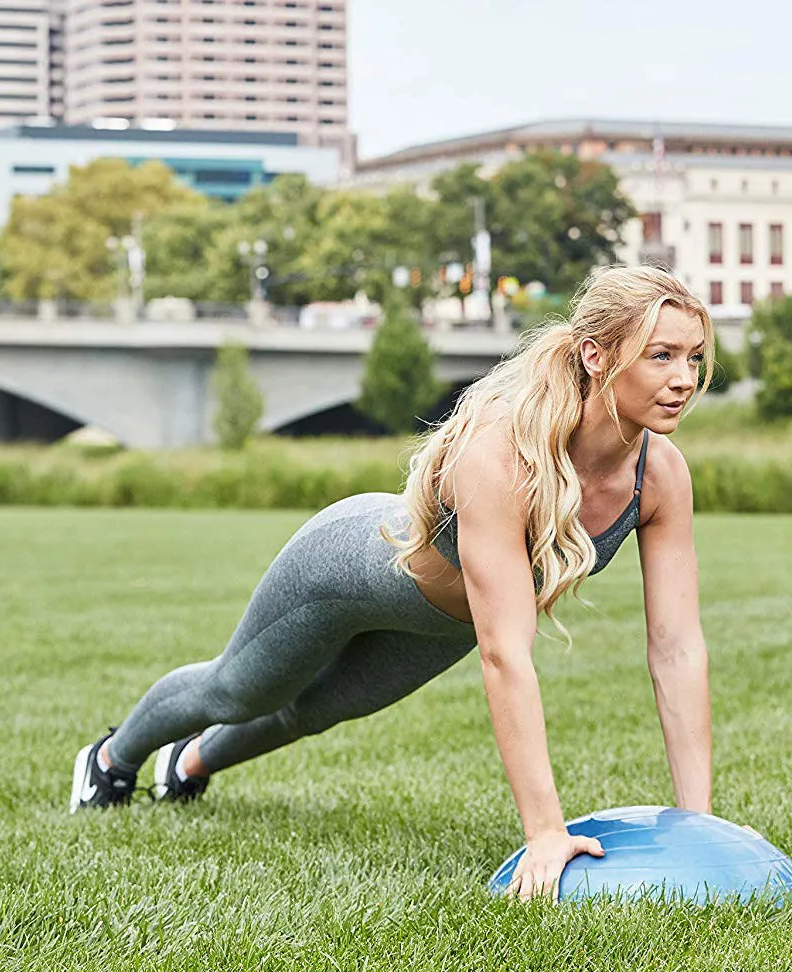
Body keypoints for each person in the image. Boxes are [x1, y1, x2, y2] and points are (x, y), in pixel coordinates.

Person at [70, 264, 715, 902]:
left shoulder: (659, 476)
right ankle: (110, 760)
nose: (684, 379)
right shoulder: (504, 452)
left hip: (444, 622)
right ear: (595, 355)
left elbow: (677, 648)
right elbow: (506, 654)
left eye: (694, 357)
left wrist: (699, 827)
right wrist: (544, 831)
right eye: (661, 356)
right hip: (350, 565)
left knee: (312, 712)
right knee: (237, 689)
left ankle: (187, 765)